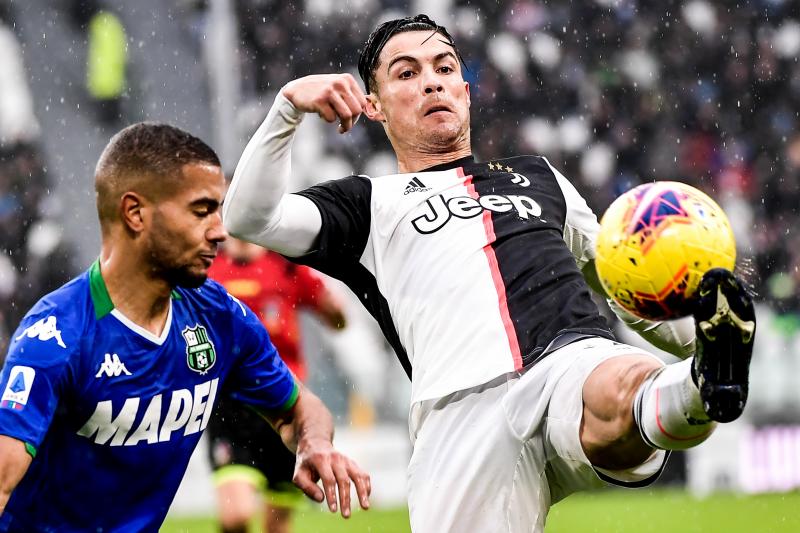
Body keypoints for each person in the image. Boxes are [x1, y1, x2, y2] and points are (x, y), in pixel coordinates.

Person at [223, 14, 756, 533]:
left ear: (466, 91)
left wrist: (704, 336)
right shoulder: (366, 203)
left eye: (445, 68)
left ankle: (702, 385)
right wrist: (287, 108)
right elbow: (249, 218)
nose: (432, 81)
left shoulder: (540, 177)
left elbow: (625, 288)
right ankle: (693, 387)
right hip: (459, 413)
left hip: (570, 360)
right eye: (407, 73)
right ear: (375, 106)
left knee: (624, 384)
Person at [0, 123, 370, 532]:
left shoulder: (219, 315)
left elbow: (299, 408)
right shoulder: (56, 337)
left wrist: (313, 441)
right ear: (135, 213)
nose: (220, 231)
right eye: (201, 211)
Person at [206, 236, 346, 533]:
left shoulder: (286, 265)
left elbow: (337, 319)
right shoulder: (208, 266)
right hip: (230, 405)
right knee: (236, 517)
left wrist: (334, 308)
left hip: (284, 399)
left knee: (277, 524)